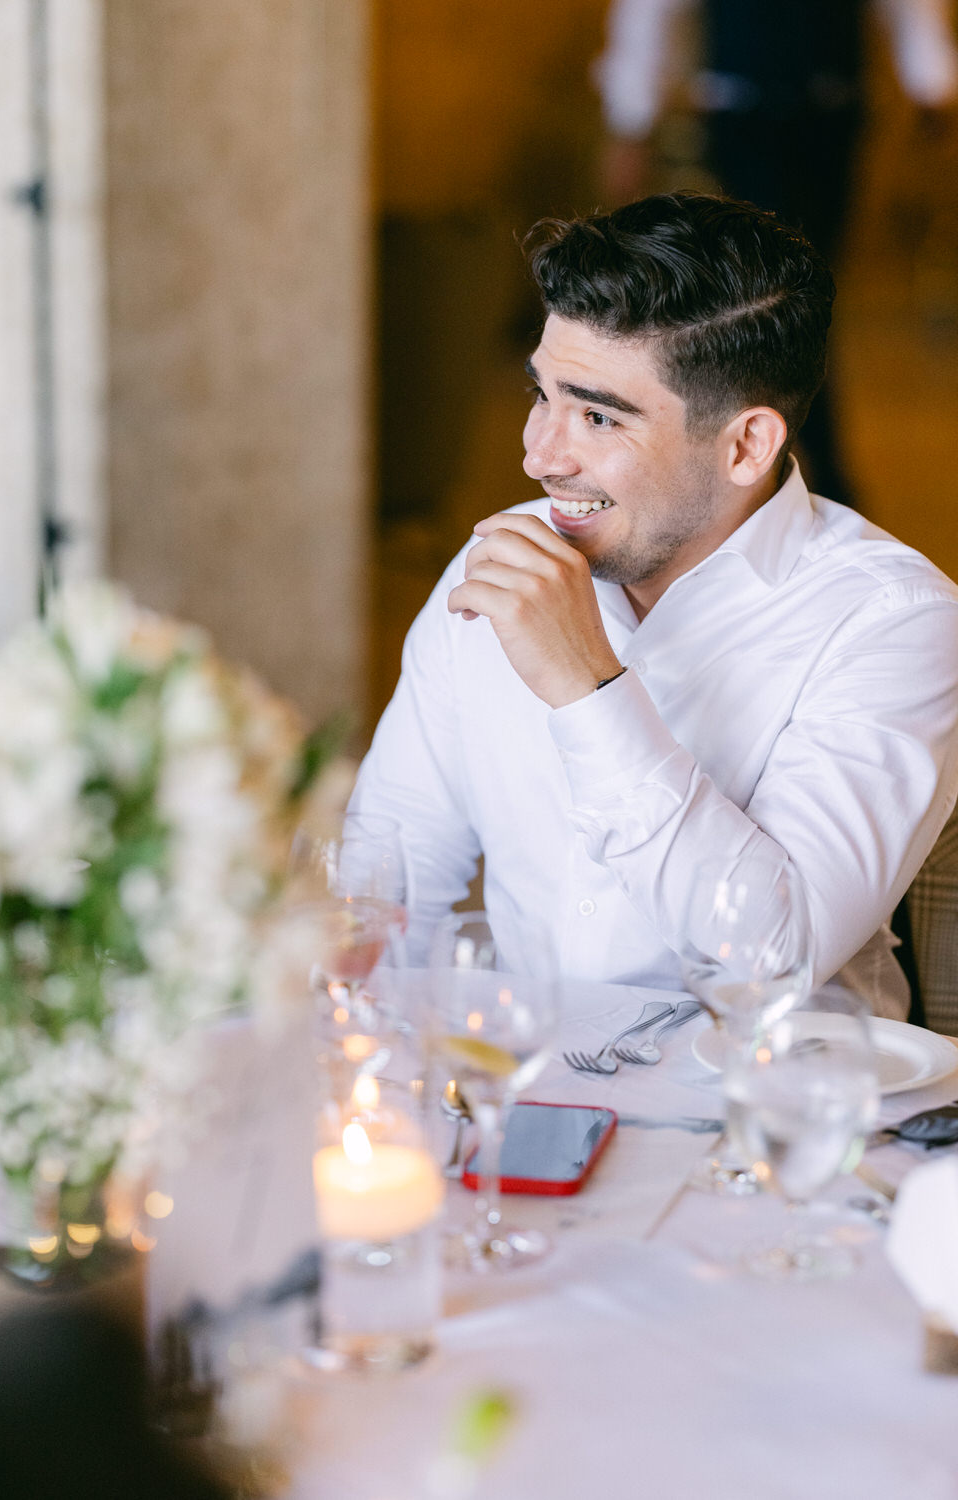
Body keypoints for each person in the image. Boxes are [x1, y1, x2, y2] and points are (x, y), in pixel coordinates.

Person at [352, 192, 958, 1019]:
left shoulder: (895, 621)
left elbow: (769, 963)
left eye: (597, 416)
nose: (538, 456)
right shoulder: (497, 562)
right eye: (543, 396)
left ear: (747, 444)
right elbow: (390, 884)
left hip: (768, 1121)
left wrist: (588, 689)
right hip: (525, 1101)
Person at [595, 0, 958, 508]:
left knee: (809, 295)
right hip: (743, 115)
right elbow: (651, 14)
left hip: (833, 114)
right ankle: (817, 474)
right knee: (779, 295)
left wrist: (931, 81)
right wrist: (632, 119)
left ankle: (786, 468)